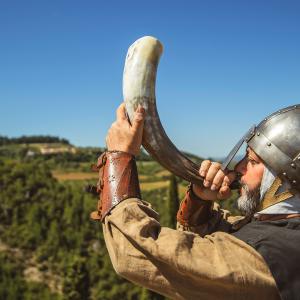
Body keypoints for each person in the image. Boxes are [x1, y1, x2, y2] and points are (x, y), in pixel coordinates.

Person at [91, 103, 300, 300]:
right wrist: (200, 200)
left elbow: (136, 252)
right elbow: (222, 233)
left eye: (253, 162)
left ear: (284, 181)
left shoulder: (266, 257)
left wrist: (119, 157)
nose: (239, 168)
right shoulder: (281, 234)